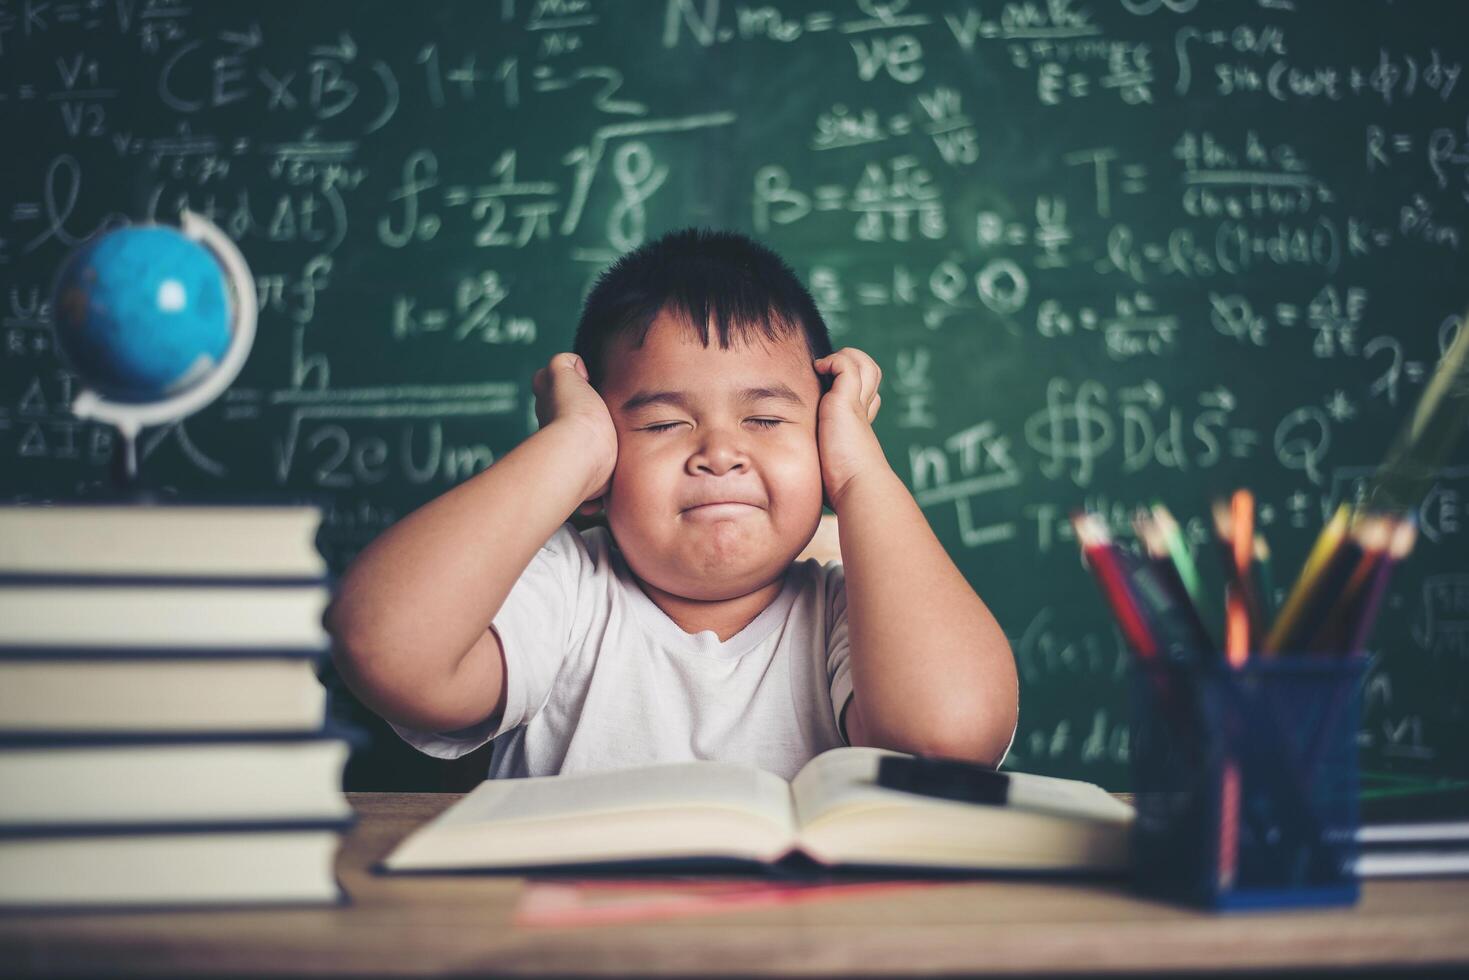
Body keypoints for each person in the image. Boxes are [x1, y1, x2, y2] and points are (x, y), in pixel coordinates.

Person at [328, 228, 1018, 781]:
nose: (718, 452)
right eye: (660, 424)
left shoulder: (850, 617)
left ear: (822, 446)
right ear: (602, 462)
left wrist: (862, 470)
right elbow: (381, 646)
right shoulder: (568, 592)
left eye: (767, 420)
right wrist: (569, 448)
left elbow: (948, 739)